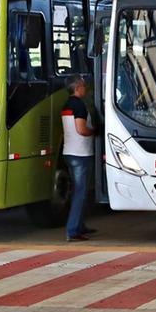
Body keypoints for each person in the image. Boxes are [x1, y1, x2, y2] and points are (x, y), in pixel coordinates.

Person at [60, 74, 97, 242]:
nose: (85, 88)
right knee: (80, 193)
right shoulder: (79, 106)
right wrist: (95, 131)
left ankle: (80, 226)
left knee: (79, 191)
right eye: (83, 86)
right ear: (77, 88)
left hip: (69, 151)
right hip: (80, 153)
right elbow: (81, 129)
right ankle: (73, 230)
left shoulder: (67, 104)